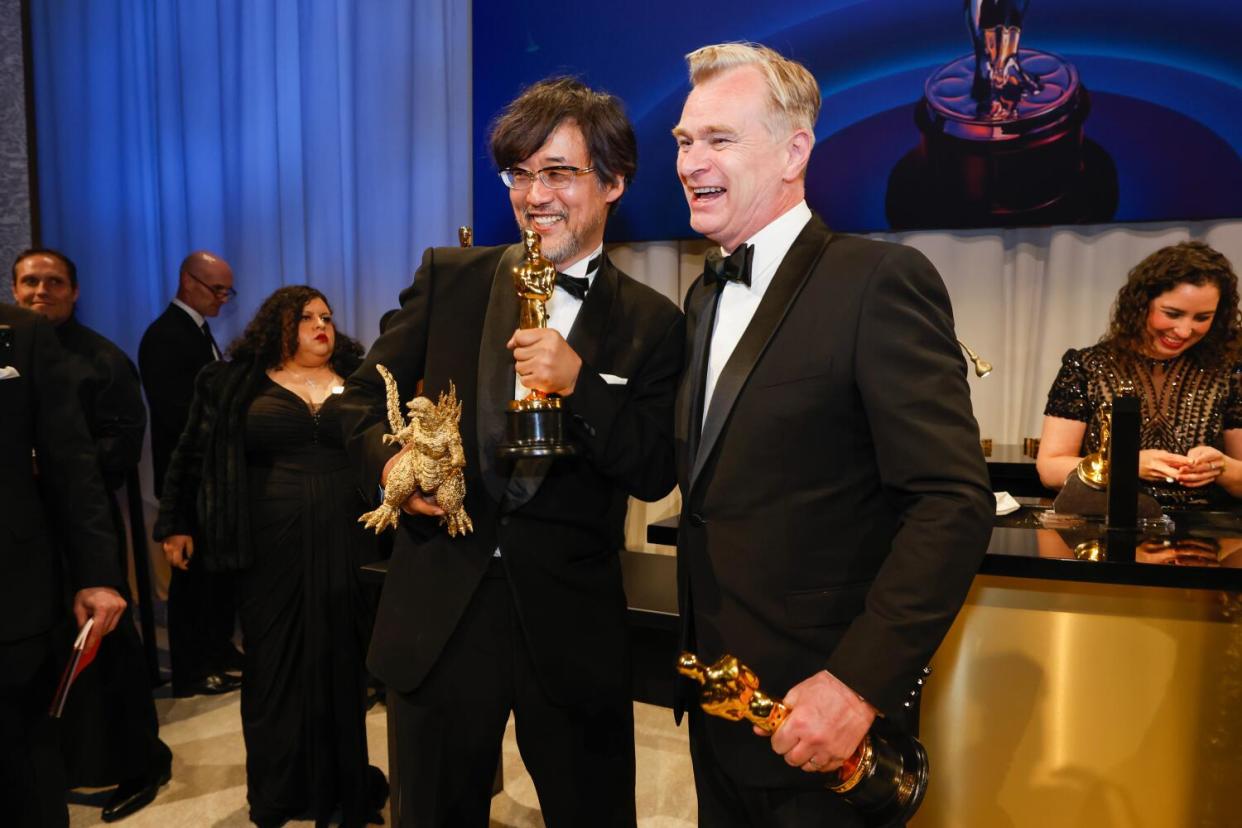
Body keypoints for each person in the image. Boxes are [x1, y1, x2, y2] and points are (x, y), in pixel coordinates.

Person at [339, 77, 684, 827]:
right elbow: (356, 404)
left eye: (559, 172)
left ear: (614, 182)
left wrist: (580, 385)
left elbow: (657, 469)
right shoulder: (449, 278)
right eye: (519, 174)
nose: (535, 194)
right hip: (439, 615)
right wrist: (394, 466)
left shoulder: (653, 323)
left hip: (571, 629)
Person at [670, 43, 993, 825]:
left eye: (718, 139)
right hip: (724, 717)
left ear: (795, 151)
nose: (689, 161)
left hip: (824, 726)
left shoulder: (878, 281)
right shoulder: (702, 299)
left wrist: (855, 687)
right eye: (683, 140)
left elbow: (952, 503)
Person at [153, 286, 384, 827]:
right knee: (273, 662)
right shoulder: (232, 382)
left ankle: (344, 786)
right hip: (267, 541)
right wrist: (175, 523)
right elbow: (190, 452)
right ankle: (279, 792)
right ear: (277, 326)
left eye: (326, 317)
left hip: (348, 536)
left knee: (341, 661)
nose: (320, 325)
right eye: (306, 318)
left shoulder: (360, 381)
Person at [11, 248, 172, 821]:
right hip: (22, 537)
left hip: (86, 525)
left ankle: (140, 763)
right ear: (13, 287)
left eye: (53, 282)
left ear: (74, 292)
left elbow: (122, 446)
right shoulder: (10, 352)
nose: (40, 291)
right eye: (30, 281)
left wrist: (43, 463)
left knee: (109, 648)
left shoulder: (102, 358)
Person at [0, 302, 128, 827]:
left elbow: (71, 462)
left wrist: (97, 574)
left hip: (11, 585)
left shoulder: (22, 333)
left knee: (22, 757)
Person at [1036, 241, 1242, 508]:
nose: (1184, 330)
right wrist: (1125, 466)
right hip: (1107, 526)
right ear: (1141, 303)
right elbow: (1050, 469)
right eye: (1172, 314)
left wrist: (1221, 467)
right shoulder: (1087, 365)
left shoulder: (1228, 370)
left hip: (1201, 535)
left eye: (1202, 317)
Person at [138, 250, 243, 696]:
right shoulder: (165, 336)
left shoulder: (196, 332)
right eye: (217, 289)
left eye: (227, 290)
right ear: (188, 282)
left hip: (210, 477)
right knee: (191, 577)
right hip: (190, 479)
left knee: (213, 576)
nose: (223, 298)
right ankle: (190, 668)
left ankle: (215, 651)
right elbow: (177, 417)